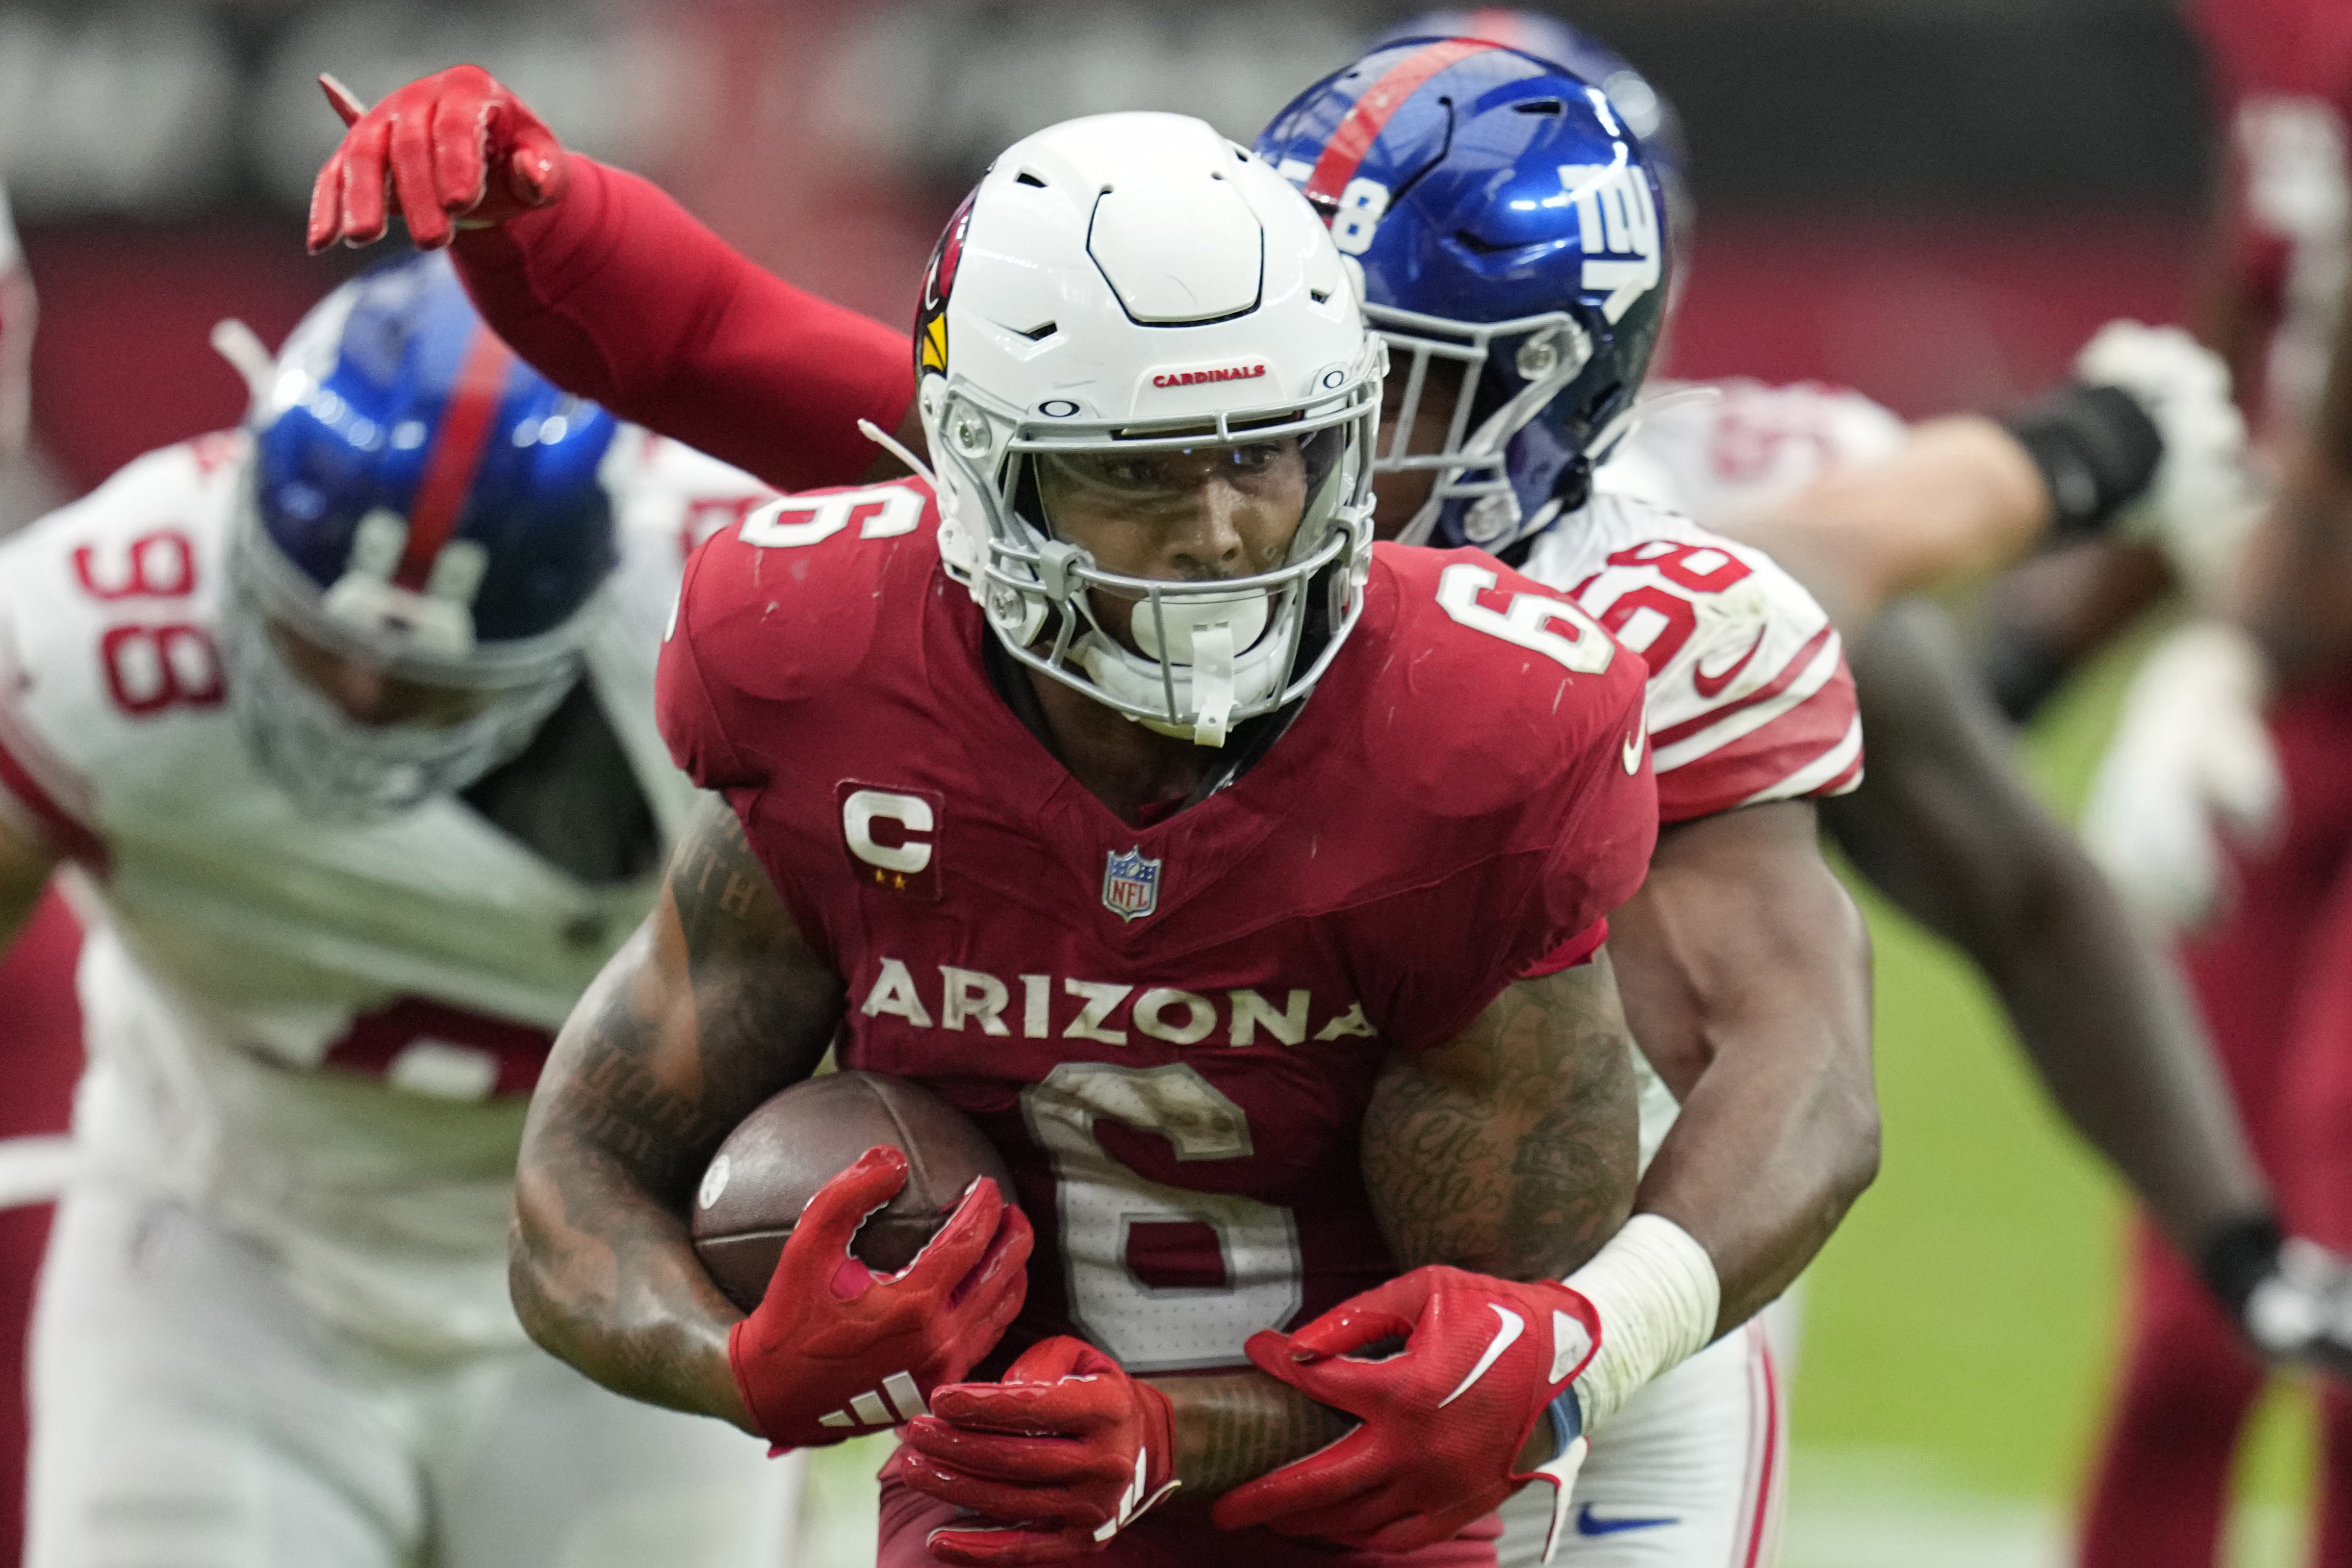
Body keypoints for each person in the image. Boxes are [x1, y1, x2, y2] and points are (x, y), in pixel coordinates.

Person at [308, 48, 1868, 1566]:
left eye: (1362, 397)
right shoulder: (1107, 465)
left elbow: (1803, 1074)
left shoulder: (1622, 639)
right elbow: (718, 340)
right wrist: (543, 215)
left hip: (1565, 1317)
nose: (1216, 517)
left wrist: (1593, 1336)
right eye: (1160, 452)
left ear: (1534, 383)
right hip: (1080, 1352)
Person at [0, 250, 907, 1568]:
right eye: (326, 645)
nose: (362, 711)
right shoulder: (88, 630)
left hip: (622, 1261)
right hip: (223, 1245)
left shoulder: (744, 627)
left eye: (428, 686)